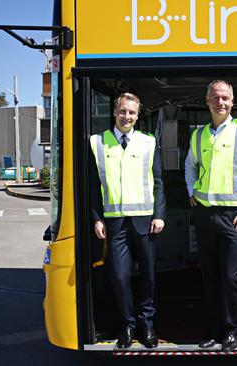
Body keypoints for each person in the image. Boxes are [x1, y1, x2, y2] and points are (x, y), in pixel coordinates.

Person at [184, 80, 237, 351]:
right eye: (215, 97)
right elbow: (189, 165)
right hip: (205, 215)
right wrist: (191, 189)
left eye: (225, 97)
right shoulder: (198, 135)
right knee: (210, 276)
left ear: (232, 101)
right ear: (207, 101)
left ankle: (231, 331)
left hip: (235, 216)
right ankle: (215, 330)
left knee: (231, 277)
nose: (221, 102)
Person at [90, 92, 165, 349]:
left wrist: (160, 215)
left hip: (145, 221)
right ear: (114, 111)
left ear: (137, 114)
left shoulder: (148, 142)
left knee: (148, 277)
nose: (127, 117)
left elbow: (158, 182)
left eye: (132, 113)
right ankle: (128, 324)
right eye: (123, 111)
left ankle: (147, 325)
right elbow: (92, 185)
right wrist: (97, 218)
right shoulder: (97, 142)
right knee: (120, 277)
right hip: (114, 223)